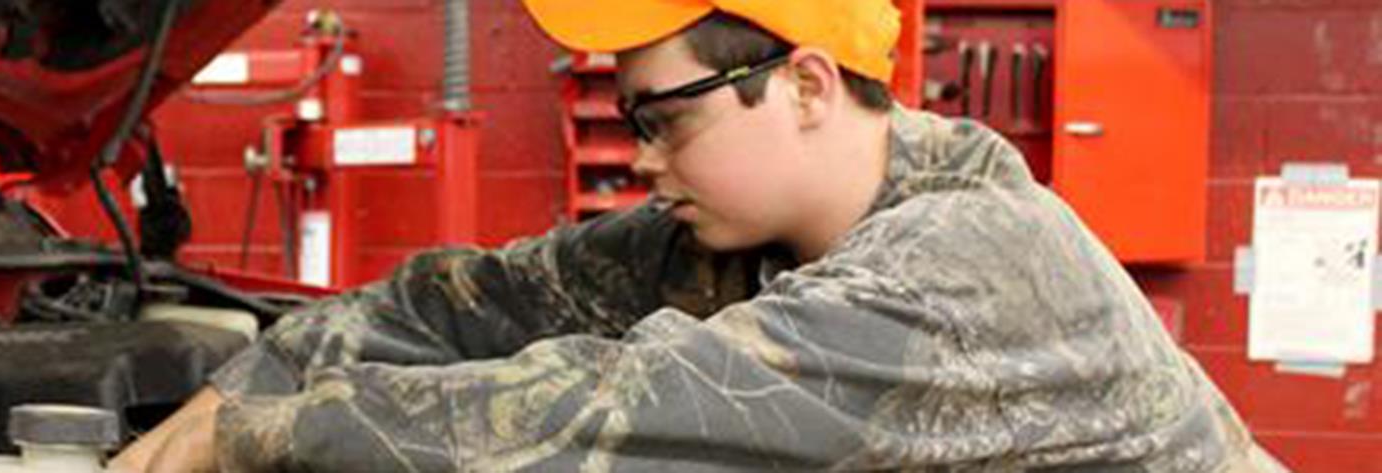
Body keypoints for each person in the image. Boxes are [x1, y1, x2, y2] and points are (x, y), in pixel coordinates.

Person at [113, 0, 1284, 470]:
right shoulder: (728, 239)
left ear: (809, 85)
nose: (640, 155)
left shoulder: (969, 267)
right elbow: (452, 302)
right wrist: (240, 382)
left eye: (663, 118)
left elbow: (612, 406)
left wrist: (257, 440)